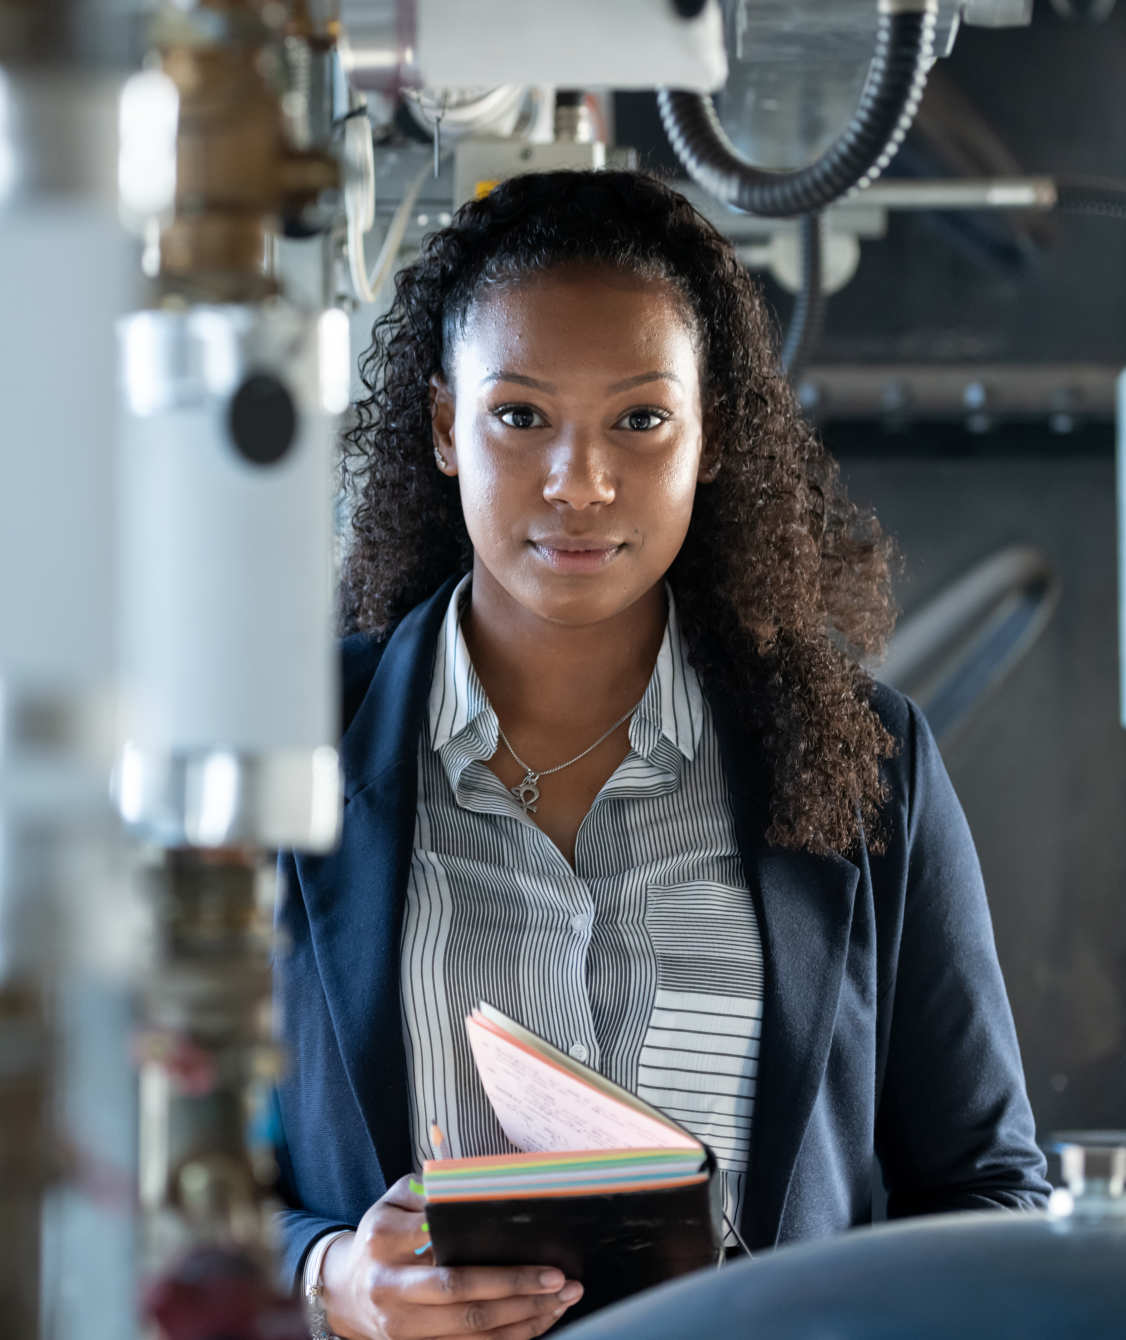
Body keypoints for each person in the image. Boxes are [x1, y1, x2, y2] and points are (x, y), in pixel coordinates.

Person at [273, 170, 1049, 1340]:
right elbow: (136, 1167)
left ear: (710, 434)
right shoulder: (282, 748)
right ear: (443, 426)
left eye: (638, 419)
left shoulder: (863, 759)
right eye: (518, 414)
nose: (577, 482)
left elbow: (988, 1194)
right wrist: (328, 1276)